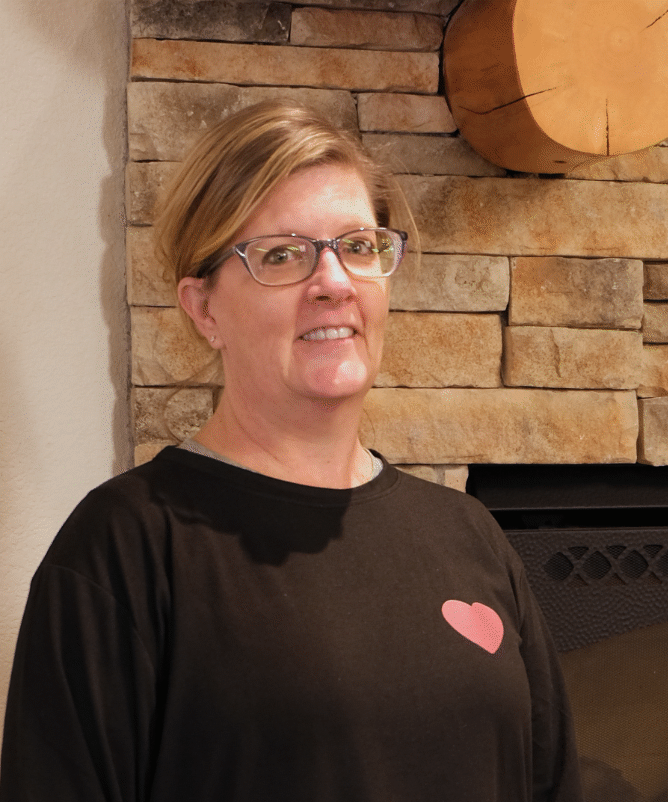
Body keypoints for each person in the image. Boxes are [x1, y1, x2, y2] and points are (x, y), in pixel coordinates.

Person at [0, 101, 583, 802]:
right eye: (282, 255)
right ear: (204, 308)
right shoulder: (124, 548)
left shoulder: (468, 536)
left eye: (358, 246)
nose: (334, 281)